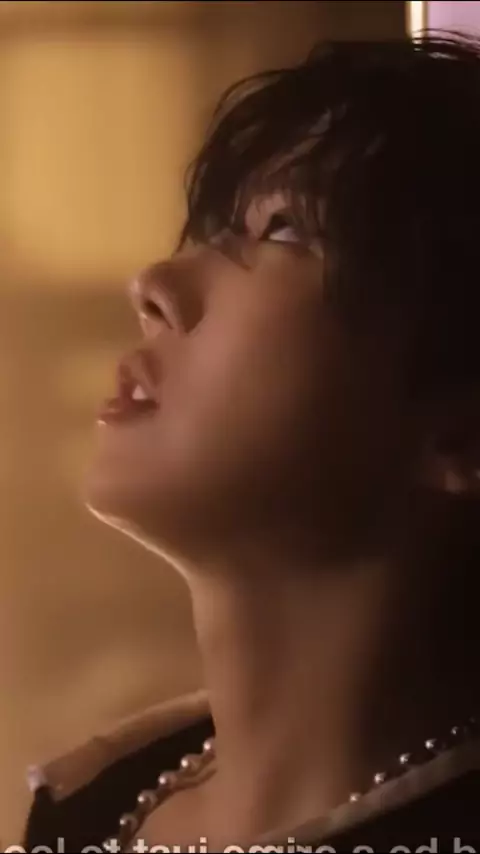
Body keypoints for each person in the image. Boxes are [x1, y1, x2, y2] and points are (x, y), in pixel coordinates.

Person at [23, 31, 480, 854]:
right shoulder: (88, 808)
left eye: (282, 230)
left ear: (459, 430)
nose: (153, 286)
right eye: (204, 235)